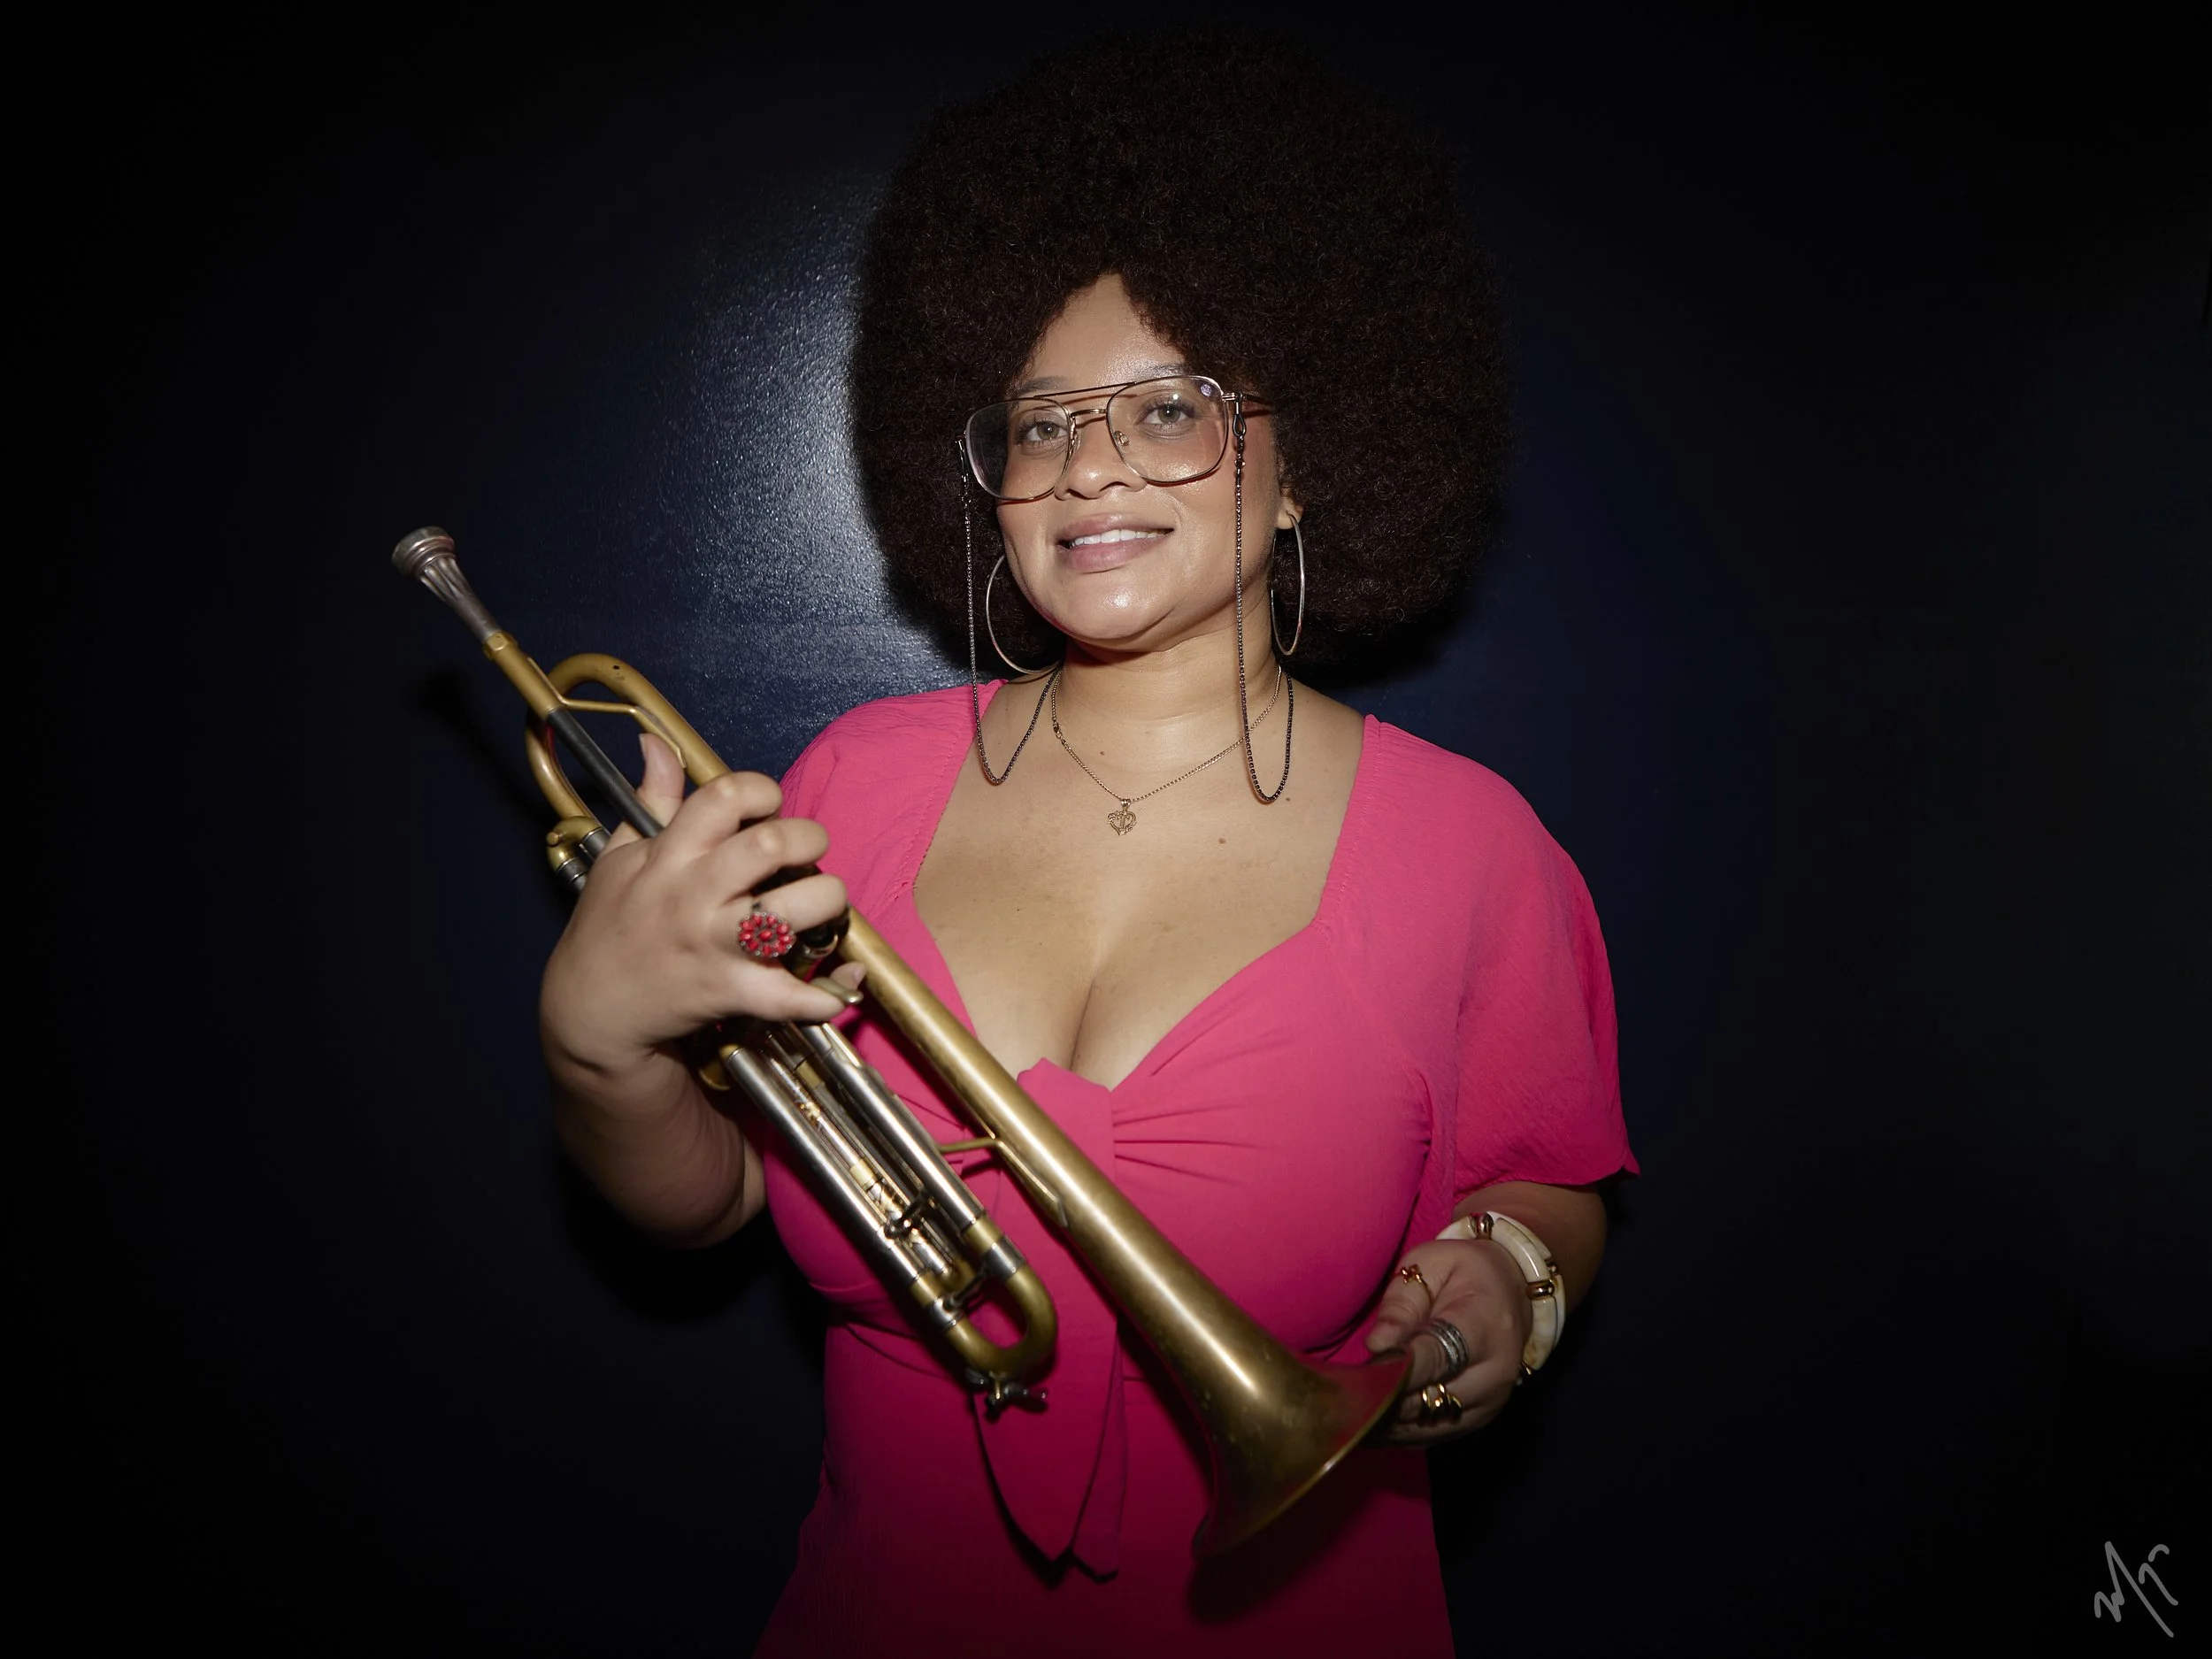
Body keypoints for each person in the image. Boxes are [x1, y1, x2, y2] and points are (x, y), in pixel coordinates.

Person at [538, 33, 1636, 1657]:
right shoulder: (853, 776)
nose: (1089, 463)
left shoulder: (1476, 848)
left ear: (1304, 462)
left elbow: (1546, 1182)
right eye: (1040, 421)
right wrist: (599, 1046)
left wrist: (1513, 1287)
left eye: (1172, 405)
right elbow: (710, 1205)